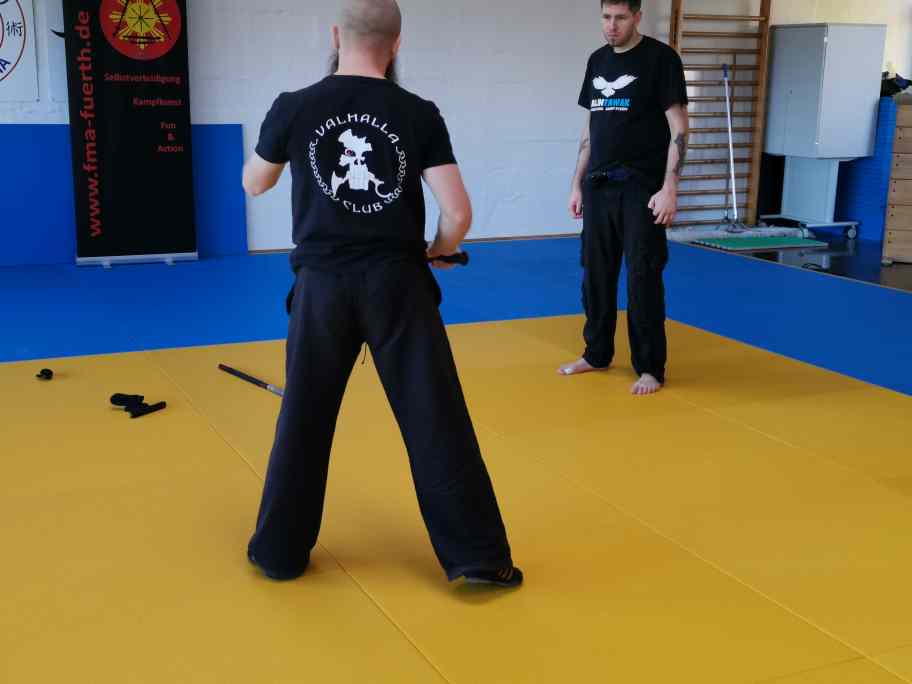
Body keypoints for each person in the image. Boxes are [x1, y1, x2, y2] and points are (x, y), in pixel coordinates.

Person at [241, 0, 522, 588]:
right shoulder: (417, 113)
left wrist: (282, 147)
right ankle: (477, 558)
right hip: (398, 284)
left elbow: (255, 182)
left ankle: (279, 553)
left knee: (304, 417)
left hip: (321, 288)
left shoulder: (294, 105)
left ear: (335, 35)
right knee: (434, 416)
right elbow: (458, 214)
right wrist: (438, 249)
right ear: (397, 44)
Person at [559, 0, 689, 396]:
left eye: (620, 18)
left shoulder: (660, 59)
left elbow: (680, 128)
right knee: (595, 275)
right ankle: (596, 353)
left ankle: (649, 367)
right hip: (598, 186)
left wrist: (670, 187)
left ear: (637, 17)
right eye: (606, 17)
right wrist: (576, 182)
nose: (611, 26)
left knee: (642, 277)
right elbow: (590, 128)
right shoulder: (597, 60)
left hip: (641, 189)